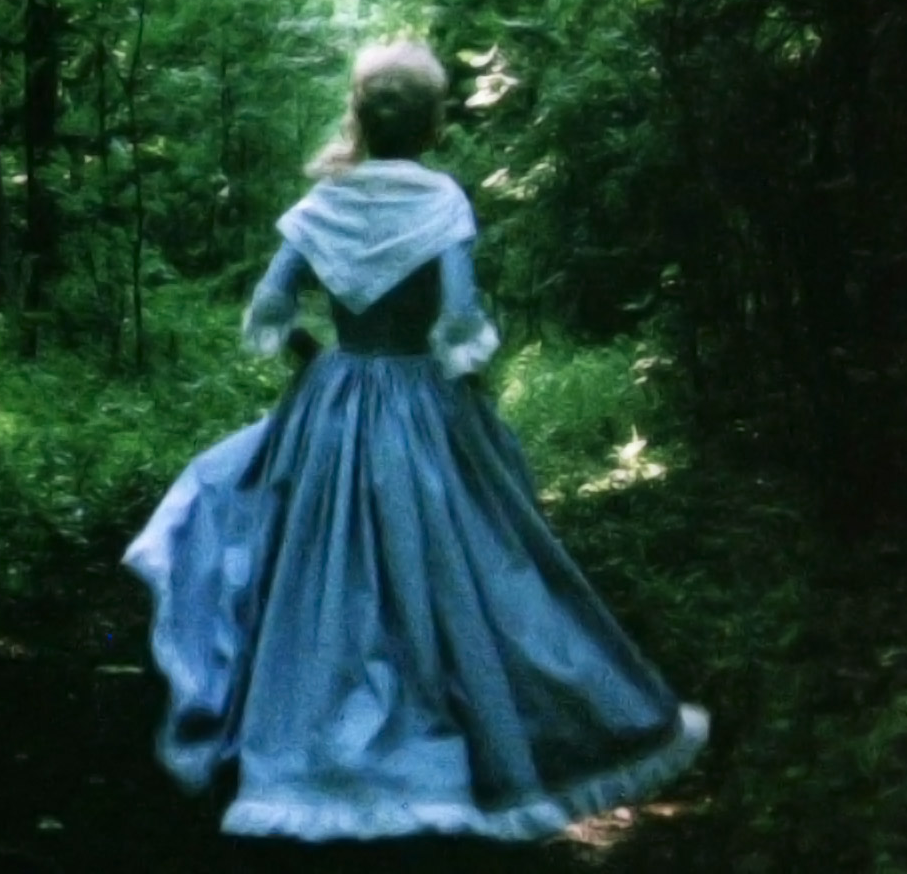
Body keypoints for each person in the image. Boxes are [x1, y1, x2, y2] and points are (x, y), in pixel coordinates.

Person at [122, 41, 708, 844]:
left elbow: (271, 304)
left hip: (336, 393)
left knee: (318, 554)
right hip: (420, 394)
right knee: (461, 552)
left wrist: (312, 355)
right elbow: (459, 320)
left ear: (358, 117)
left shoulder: (323, 203)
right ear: (435, 125)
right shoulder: (441, 201)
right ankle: (452, 704)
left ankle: (312, 717)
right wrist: (458, 378)